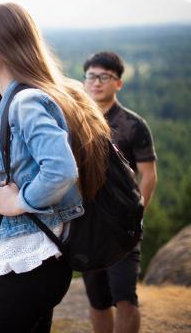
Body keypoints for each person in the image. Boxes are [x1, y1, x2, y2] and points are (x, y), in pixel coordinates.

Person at [0, 3, 112, 332]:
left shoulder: (26, 102)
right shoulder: (15, 101)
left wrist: (18, 202)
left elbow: (60, 170)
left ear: (4, 44)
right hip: (34, 264)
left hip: (33, 263)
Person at [82, 51, 158, 333]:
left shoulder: (132, 124)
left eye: (105, 77)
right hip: (87, 225)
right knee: (98, 300)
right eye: (91, 76)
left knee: (125, 297)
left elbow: (149, 175)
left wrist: (135, 215)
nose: (97, 82)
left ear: (118, 83)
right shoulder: (78, 122)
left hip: (123, 227)